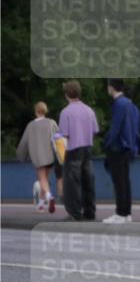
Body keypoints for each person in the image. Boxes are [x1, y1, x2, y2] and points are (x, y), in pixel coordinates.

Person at [102, 79, 140, 223]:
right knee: (125, 181)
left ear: (111, 87)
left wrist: (107, 142)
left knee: (118, 181)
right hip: (129, 147)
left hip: (118, 147)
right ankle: (126, 213)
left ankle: (120, 213)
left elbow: (116, 128)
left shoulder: (118, 104)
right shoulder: (131, 104)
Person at [58, 81, 100, 221]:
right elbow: (95, 131)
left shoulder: (66, 112)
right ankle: (90, 212)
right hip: (87, 149)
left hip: (73, 149)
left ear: (66, 94)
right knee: (89, 181)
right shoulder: (89, 110)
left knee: (72, 183)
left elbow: (65, 134)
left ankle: (75, 213)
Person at [16, 101, 61, 213]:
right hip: (50, 156)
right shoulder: (51, 123)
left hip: (38, 158)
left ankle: (49, 197)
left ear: (36, 111)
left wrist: (21, 155)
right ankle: (41, 205)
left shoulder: (31, 125)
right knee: (44, 179)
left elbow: (24, 142)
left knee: (42, 179)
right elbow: (58, 137)